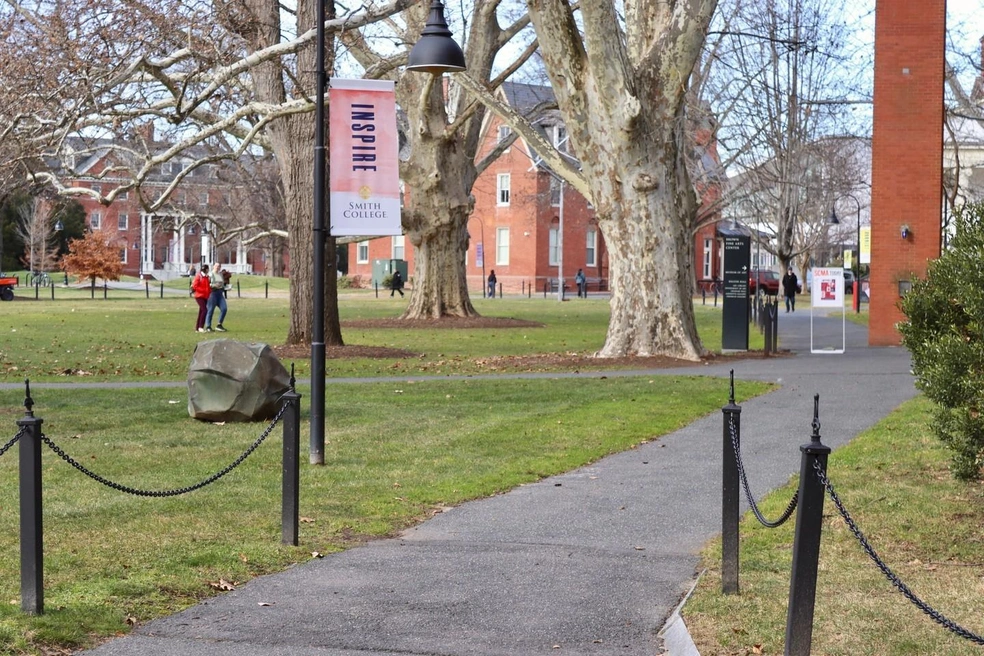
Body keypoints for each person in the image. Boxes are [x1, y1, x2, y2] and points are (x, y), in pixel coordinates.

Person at [204, 264, 228, 332]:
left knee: (224, 308)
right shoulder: (210, 274)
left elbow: (222, 284)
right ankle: (208, 326)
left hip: (220, 294)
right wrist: (214, 285)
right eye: (216, 266)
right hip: (212, 293)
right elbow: (207, 284)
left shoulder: (220, 275)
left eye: (219, 266)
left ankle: (219, 325)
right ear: (214, 266)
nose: (218, 267)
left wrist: (225, 287)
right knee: (210, 310)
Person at [191, 264, 211, 333]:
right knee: (204, 310)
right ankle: (200, 327)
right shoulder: (199, 276)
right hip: (199, 296)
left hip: (205, 296)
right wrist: (203, 290)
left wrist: (209, 292)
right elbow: (195, 286)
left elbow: (208, 286)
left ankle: (197, 327)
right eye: (207, 269)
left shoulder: (207, 277)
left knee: (201, 311)